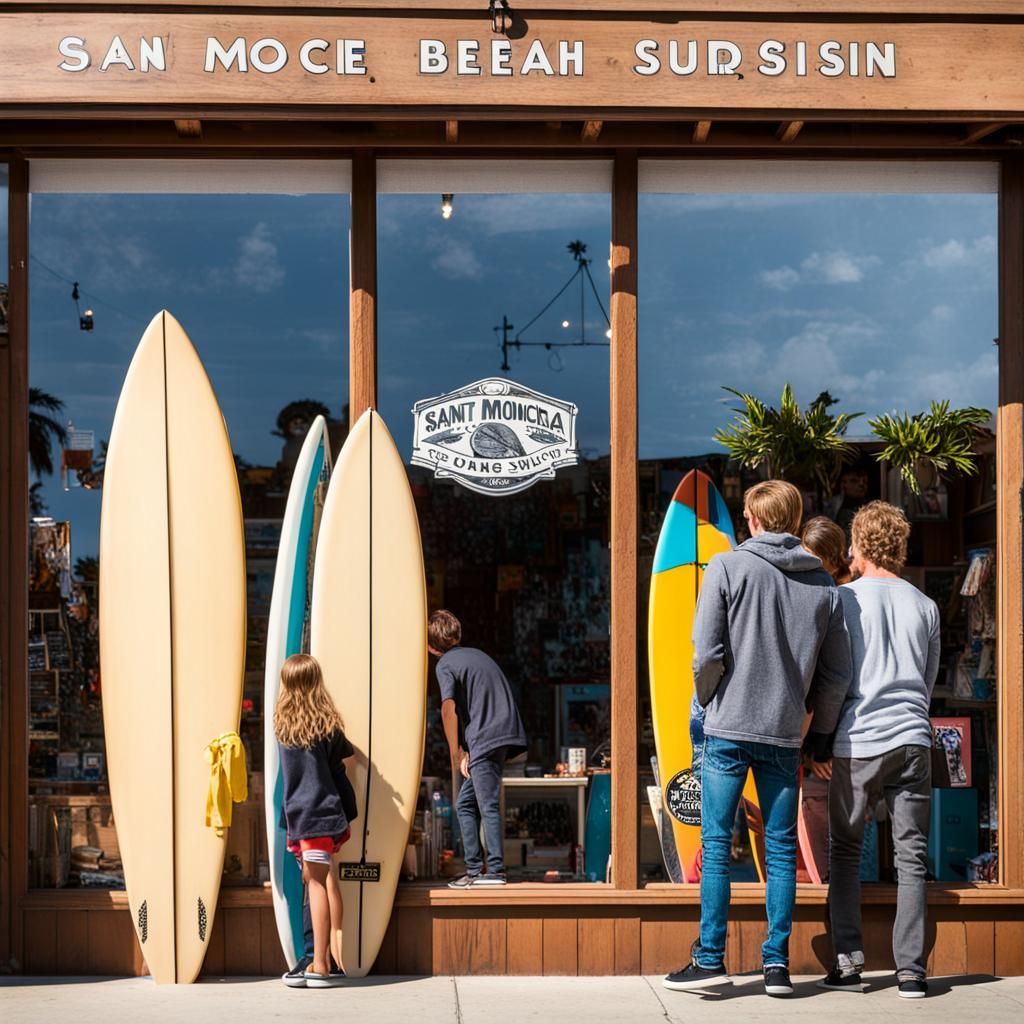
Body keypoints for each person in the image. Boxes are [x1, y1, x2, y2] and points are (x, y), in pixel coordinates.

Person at [663, 480, 852, 998]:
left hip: (728, 726)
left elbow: (705, 653)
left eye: (747, 514)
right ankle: (776, 967)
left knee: (716, 845)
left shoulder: (727, 566)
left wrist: (712, 699)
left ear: (754, 518)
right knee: (781, 847)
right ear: (793, 520)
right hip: (785, 732)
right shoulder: (823, 585)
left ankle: (709, 958)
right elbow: (836, 675)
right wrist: (818, 735)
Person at [817, 502, 940, 999]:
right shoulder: (925, 605)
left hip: (859, 739)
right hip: (912, 738)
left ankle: (848, 962)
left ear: (860, 545)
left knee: (846, 851)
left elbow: (834, 679)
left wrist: (820, 739)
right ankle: (911, 971)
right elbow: (927, 683)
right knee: (912, 856)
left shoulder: (842, 601)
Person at [428, 609, 527, 888]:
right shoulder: (478, 656)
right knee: (466, 804)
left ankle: (493, 870)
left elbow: (448, 710)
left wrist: (456, 752)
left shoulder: (445, 664)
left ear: (431, 647)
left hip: (485, 737)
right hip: (501, 734)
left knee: (487, 805)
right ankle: (475, 869)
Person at [275, 653, 357, 988]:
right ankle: (332, 958)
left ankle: (320, 965)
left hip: (305, 816)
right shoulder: (327, 724)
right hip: (326, 813)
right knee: (325, 879)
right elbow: (346, 755)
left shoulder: (283, 725)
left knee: (316, 883)